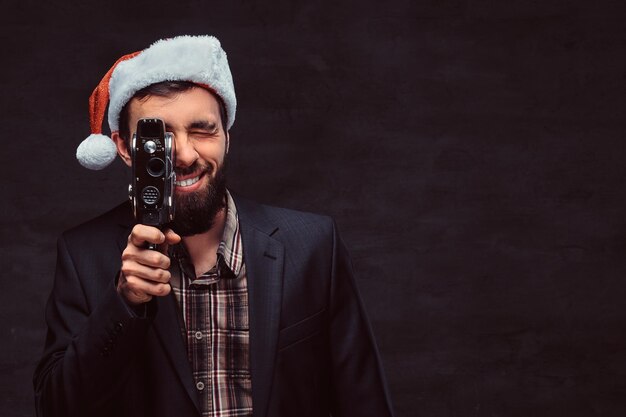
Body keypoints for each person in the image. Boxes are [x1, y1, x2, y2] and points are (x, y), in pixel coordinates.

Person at [34, 35, 394, 417]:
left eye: (202, 129)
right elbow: (57, 408)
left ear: (227, 136)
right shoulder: (83, 256)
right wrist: (122, 304)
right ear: (125, 148)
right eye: (160, 138)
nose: (185, 155)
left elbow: (364, 400)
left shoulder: (312, 246)